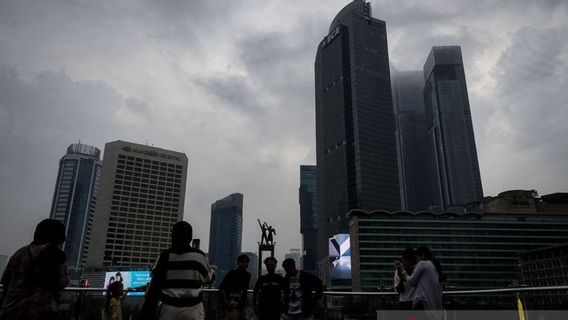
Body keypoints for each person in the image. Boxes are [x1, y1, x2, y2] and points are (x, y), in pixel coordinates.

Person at [140, 221, 214, 320]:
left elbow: (154, 275)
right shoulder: (199, 256)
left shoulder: (165, 255)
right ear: (190, 237)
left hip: (169, 310)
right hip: (193, 310)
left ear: (173, 236)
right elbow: (209, 278)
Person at [0, 218, 69, 320]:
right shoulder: (55, 254)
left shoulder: (19, 253)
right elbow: (62, 282)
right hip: (40, 312)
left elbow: (5, 281)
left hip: (10, 311)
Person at [395, 246, 444, 320]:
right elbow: (399, 289)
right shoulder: (434, 267)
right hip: (432, 305)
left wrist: (403, 271)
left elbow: (411, 281)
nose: (417, 260)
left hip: (421, 303)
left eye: (417, 257)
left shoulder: (421, 265)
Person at [219, 254, 252, 320]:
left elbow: (244, 290)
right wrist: (227, 302)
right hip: (229, 305)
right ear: (238, 263)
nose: (244, 264)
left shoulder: (247, 275)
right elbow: (222, 288)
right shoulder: (232, 273)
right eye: (242, 262)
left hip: (241, 306)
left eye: (246, 262)